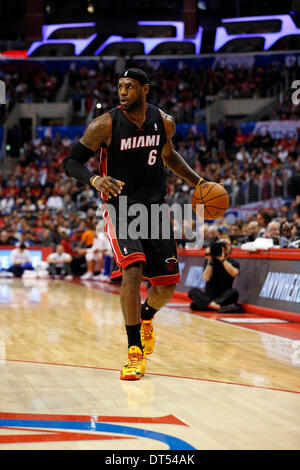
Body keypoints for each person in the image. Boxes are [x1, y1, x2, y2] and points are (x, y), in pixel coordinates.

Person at [63, 67, 210, 381]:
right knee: (131, 271)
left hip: (156, 209)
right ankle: (134, 352)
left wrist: (198, 182)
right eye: (119, 87)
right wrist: (94, 178)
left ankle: (147, 316)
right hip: (121, 208)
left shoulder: (164, 122)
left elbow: (168, 155)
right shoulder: (104, 125)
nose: (122, 92)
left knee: (167, 285)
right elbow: (71, 161)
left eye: (129, 86)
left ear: (145, 89)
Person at [188, 237, 242, 313]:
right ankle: (219, 307)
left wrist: (222, 259)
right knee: (193, 291)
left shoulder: (233, 262)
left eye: (227, 245)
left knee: (234, 292)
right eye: (222, 245)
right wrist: (210, 259)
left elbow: (234, 273)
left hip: (224, 297)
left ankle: (210, 306)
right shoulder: (210, 261)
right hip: (209, 296)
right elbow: (206, 278)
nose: (225, 247)